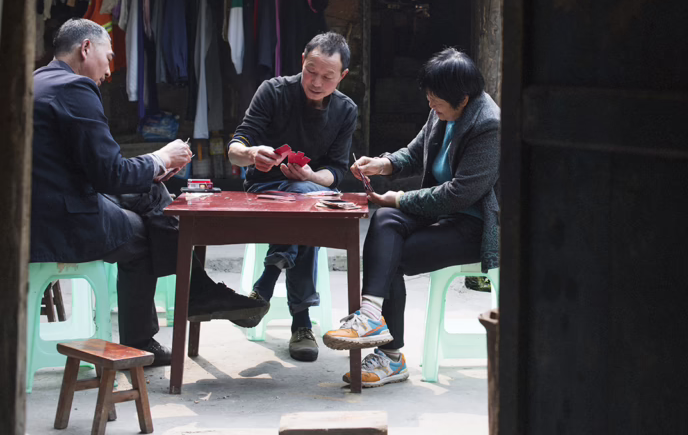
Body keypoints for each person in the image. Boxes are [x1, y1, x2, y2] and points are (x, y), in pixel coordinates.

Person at [30, 19, 269, 366]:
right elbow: (110, 174)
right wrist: (160, 158)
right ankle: (149, 334)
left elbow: (94, 167)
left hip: (40, 208)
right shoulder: (75, 89)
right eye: (109, 58)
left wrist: (155, 169)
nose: (110, 71)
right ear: (85, 49)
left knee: (150, 194)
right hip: (60, 221)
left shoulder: (38, 80)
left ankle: (198, 291)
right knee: (144, 237)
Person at [322, 48, 500, 387]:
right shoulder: (442, 109)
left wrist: (400, 197)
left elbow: (459, 194)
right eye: (429, 99)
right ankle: (372, 314)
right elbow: (416, 151)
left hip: (473, 226)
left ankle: (390, 356)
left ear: (463, 98)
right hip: (441, 215)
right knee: (385, 220)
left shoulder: (488, 125)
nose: (431, 107)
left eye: (437, 102)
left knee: (389, 255)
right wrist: (383, 163)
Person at [227, 32, 358, 362]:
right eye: (311, 71)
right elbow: (235, 148)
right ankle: (301, 322)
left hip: (312, 194)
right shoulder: (273, 92)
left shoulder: (345, 110)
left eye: (327, 77)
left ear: (342, 76)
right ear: (302, 60)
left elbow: (337, 171)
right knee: (309, 205)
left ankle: (265, 286)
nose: (316, 82)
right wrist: (251, 153)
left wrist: (311, 177)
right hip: (265, 192)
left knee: (308, 199)